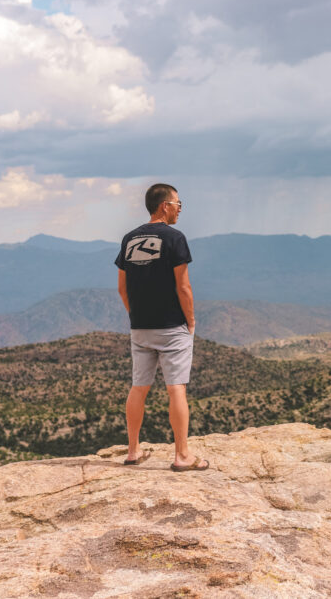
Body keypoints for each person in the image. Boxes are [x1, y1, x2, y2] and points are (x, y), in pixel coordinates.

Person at [115, 183, 209, 471]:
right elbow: (184, 286)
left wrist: (137, 315)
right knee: (176, 388)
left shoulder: (129, 239)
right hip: (171, 326)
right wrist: (190, 321)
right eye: (178, 204)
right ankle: (182, 456)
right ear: (165, 206)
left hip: (140, 326)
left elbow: (122, 288)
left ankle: (133, 451)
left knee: (138, 387)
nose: (180, 209)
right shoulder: (174, 238)